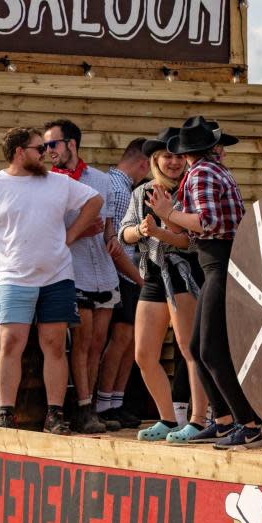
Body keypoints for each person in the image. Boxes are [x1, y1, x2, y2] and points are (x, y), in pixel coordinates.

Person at [0, 126, 102, 435]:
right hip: (13, 278)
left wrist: (72, 235)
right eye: (39, 148)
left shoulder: (58, 182)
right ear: (19, 152)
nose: (46, 153)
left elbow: (95, 201)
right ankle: (6, 414)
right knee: (11, 343)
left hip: (57, 277)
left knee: (54, 345)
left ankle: (54, 415)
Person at [149, 116, 262, 450]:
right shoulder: (208, 172)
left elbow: (206, 222)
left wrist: (168, 213)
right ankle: (226, 420)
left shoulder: (201, 173)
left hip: (222, 263)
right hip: (217, 261)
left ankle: (248, 424)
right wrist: (163, 226)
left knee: (209, 348)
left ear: (185, 152)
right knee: (200, 348)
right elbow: (191, 233)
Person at [120, 128, 212, 443]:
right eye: (166, 156)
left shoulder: (189, 189)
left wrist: (160, 230)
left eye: (177, 156)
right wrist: (142, 231)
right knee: (144, 353)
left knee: (190, 350)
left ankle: (199, 421)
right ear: (155, 159)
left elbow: (190, 242)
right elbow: (124, 233)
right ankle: (167, 418)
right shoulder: (141, 192)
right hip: (153, 276)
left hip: (184, 276)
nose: (172, 162)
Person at [45, 118, 122, 434]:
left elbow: (107, 225)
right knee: (82, 341)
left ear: (71, 144)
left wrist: (111, 235)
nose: (49, 151)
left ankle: (91, 409)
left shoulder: (100, 179)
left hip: (103, 269)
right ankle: (82, 408)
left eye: (53, 144)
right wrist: (76, 232)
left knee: (98, 343)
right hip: (72, 270)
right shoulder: (49, 181)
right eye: (46, 146)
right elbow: (49, 228)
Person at [96, 138, 150, 429]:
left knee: (129, 341)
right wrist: (139, 277)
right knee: (121, 340)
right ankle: (106, 404)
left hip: (127, 274)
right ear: (143, 164)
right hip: (122, 275)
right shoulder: (118, 189)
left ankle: (115, 402)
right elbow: (114, 243)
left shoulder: (121, 186)